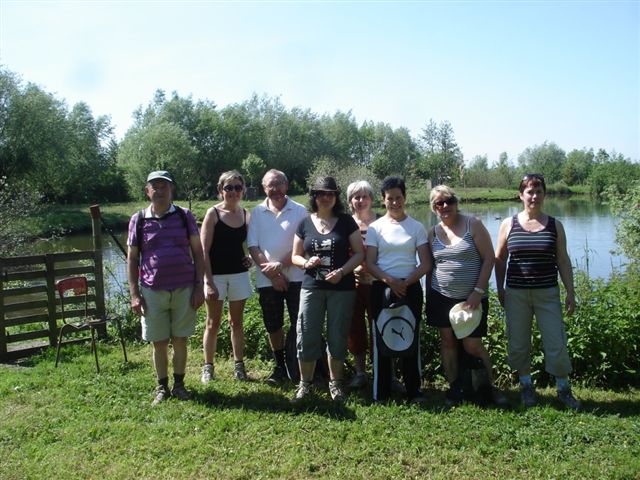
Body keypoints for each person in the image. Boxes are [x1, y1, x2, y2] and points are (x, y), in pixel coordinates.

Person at [495, 173, 581, 410]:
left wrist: (570, 292)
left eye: (538, 191)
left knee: (556, 342)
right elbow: (499, 259)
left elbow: (563, 261)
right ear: (521, 195)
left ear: (544, 194)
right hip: (516, 294)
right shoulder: (508, 224)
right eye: (529, 191)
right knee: (519, 342)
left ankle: (563, 390)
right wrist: (500, 288)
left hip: (548, 294)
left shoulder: (555, 225)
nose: (534, 196)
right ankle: (526, 388)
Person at [127, 170, 205, 406]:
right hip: (152, 291)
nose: (160, 191)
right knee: (158, 342)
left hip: (184, 288)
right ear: (147, 191)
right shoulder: (138, 220)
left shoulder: (184, 216)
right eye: (155, 187)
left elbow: (198, 252)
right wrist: (134, 294)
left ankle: (179, 385)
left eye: (164, 186)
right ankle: (162, 388)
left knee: (180, 339)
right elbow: (132, 259)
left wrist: (199, 286)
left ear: (171, 190)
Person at [426, 185, 507, 407]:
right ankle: (455, 387)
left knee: (473, 345)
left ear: (456, 202)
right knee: (448, 342)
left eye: (449, 201)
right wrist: (428, 298)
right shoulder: (433, 233)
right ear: (433, 208)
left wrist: (478, 292)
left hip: (472, 298)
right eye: (439, 203)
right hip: (441, 296)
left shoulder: (474, 224)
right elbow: (431, 266)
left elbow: (489, 258)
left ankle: (489, 387)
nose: (445, 206)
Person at [290, 176, 364, 403]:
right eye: (321, 193)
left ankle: (336, 385)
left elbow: (360, 253)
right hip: (312, 287)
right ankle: (305, 385)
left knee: (338, 336)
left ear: (336, 197)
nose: (326, 197)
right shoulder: (304, 223)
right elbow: (295, 256)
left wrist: (342, 272)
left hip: (342, 288)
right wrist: (306, 263)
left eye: (330, 193)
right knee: (306, 333)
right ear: (314, 197)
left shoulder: (346, 222)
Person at [366, 176, 431, 403]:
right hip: (382, 287)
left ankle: (414, 391)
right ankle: (381, 393)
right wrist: (390, 281)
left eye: (399, 198)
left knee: (411, 337)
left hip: (410, 288)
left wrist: (406, 282)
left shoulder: (417, 227)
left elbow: (425, 263)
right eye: (390, 199)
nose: (395, 202)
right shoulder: (375, 228)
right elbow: (370, 263)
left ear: (405, 198)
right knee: (381, 339)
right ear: (383, 201)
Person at [247, 169, 308, 384]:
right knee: (273, 324)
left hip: (298, 278)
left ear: (287, 185)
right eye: (270, 185)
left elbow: (303, 246)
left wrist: (281, 265)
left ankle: (302, 368)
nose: (276, 189)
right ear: (264, 189)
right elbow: (253, 246)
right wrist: (273, 275)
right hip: (267, 281)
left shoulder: (300, 211)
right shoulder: (256, 212)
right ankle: (280, 367)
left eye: (279, 183)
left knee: (299, 323)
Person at [200, 170, 252, 383]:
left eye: (237, 187)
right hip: (216, 277)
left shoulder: (246, 214)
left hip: (239, 275)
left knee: (236, 323)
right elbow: (203, 251)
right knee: (213, 322)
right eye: (228, 187)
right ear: (221, 190)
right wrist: (208, 281)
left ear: (243, 191)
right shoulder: (213, 214)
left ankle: (239, 367)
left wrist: (250, 257)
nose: (233, 191)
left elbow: (252, 244)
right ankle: (208, 367)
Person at [345, 180, 378, 389]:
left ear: (372, 199)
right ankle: (359, 373)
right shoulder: (345, 224)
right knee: (355, 328)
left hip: (378, 284)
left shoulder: (383, 222)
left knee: (379, 327)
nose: (361, 200)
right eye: (356, 197)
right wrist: (353, 269)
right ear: (350, 202)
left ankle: (384, 371)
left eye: (365, 196)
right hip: (353, 284)